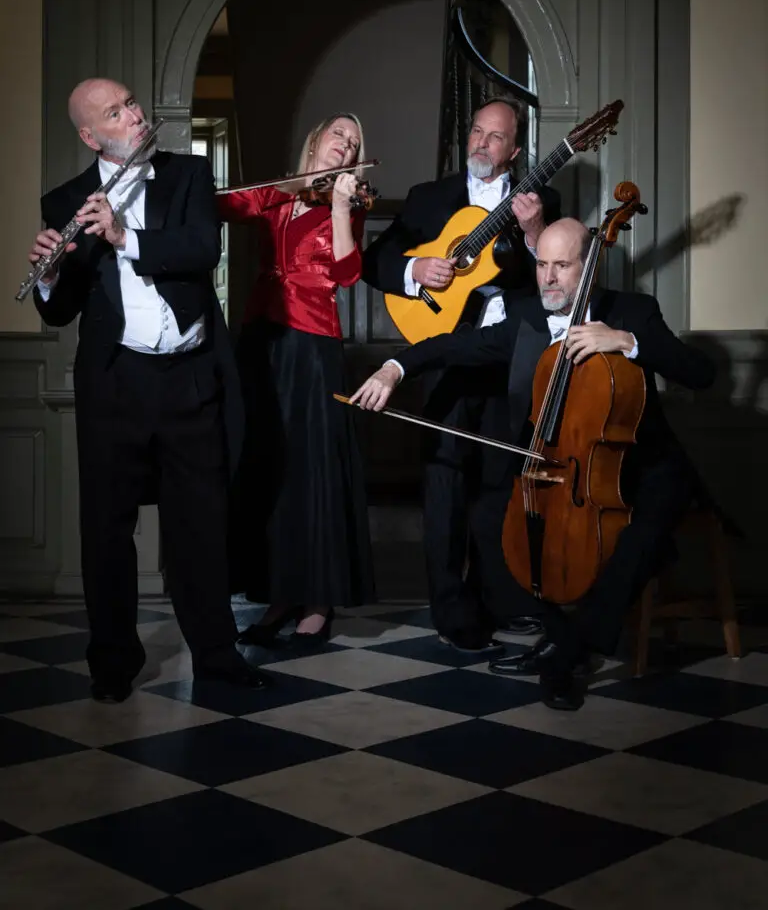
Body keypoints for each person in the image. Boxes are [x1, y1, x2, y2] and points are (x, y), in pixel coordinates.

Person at [351, 217, 717, 709]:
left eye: (562, 266)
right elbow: (452, 346)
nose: (547, 277)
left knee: (641, 533)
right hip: (567, 467)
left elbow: (701, 372)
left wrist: (627, 342)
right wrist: (394, 368)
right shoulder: (526, 317)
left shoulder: (632, 310)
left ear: (589, 265)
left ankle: (566, 654)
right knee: (488, 520)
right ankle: (562, 631)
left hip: (645, 462)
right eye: (542, 264)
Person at [28, 77, 268, 702]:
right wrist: (51, 276)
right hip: (115, 386)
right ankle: (112, 663)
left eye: (131, 103)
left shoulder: (187, 175)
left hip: (188, 377)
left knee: (201, 523)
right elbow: (60, 313)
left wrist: (123, 237)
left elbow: (200, 251)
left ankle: (215, 654)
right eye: (115, 112)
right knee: (108, 529)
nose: (134, 114)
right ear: (90, 135)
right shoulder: (64, 200)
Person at [361, 97, 559, 653]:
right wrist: (414, 269)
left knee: (498, 483)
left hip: (507, 355)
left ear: (515, 151)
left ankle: (496, 597)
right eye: (476, 131)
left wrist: (534, 228)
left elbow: (551, 274)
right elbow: (375, 262)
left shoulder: (541, 200)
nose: (481, 143)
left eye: (495, 138)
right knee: (445, 482)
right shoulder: (430, 198)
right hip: (442, 350)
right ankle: (451, 611)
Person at [219, 113, 375, 646]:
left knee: (312, 470)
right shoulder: (278, 195)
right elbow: (222, 204)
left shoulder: (349, 203)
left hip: (312, 344)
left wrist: (335, 204)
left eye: (353, 143)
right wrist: (287, 187)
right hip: (261, 340)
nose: (346, 145)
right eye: (339, 134)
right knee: (269, 467)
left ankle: (318, 601)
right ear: (315, 140)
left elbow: (348, 273)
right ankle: (278, 593)